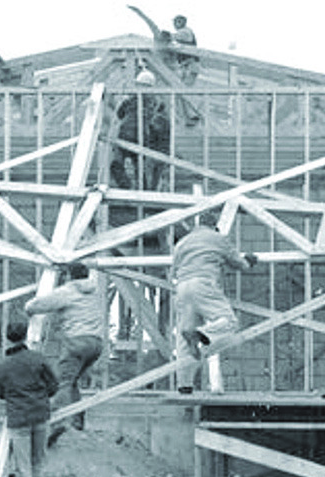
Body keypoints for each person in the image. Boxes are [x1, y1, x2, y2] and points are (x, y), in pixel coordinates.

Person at [172, 213, 258, 393]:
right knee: (229, 322)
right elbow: (239, 264)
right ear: (214, 226)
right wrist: (250, 260)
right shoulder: (217, 239)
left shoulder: (183, 242)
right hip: (203, 283)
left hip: (181, 286)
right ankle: (199, 334)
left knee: (183, 341)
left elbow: (174, 269)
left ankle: (184, 385)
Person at [24, 263, 104, 444]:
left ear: (69, 276)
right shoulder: (94, 291)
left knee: (62, 383)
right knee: (72, 381)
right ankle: (77, 421)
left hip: (77, 341)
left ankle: (56, 422)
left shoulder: (69, 290)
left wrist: (28, 307)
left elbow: (39, 305)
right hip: (96, 344)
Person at [0, 322, 58, 477]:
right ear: (24, 336)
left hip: (18, 419)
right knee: (38, 461)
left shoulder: (0, 367)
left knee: (23, 467)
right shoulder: (39, 359)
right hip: (40, 415)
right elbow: (53, 386)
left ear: (7, 337)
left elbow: (0, 393)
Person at [110, 68, 170, 190]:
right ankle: (144, 190)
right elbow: (162, 118)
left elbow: (119, 114)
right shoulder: (156, 102)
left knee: (117, 163)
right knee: (139, 168)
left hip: (125, 137)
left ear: (138, 85)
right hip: (142, 137)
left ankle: (125, 185)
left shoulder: (130, 100)